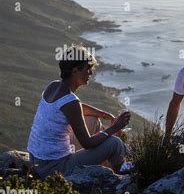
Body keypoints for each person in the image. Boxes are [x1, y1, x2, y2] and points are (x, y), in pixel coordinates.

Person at [27, 44, 131, 179]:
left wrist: (104, 115)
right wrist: (115, 127)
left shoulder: (53, 86)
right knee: (114, 143)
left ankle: (105, 168)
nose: (90, 73)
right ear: (75, 71)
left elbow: (75, 109)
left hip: (36, 160)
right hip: (54, 168)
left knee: (92, 120)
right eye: (87, 69)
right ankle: (122, 178)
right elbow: (87, 143)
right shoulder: (71, 101)